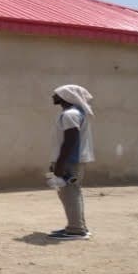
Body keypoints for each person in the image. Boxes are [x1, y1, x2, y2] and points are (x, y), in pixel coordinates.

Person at [48, 85, 96, 241]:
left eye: (56, 94)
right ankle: (78, 226)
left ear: (66, 96)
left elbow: (71, 140)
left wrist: (61, 164)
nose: (53, 96)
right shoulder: (74, 113)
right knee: (73, 193)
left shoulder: (70, 114)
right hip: (72, 160)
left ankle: (76, 230)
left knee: (69, 193)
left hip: (70, 161)